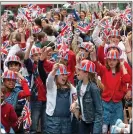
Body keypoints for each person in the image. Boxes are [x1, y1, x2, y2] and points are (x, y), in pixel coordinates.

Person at [90, 47, 131, 133]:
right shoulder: (104, 69)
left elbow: (127, 79)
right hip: (105, 102)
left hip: (117, 103)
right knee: (104, 126)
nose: (111, 62)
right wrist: (94, 57)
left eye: (114, 60)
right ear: (107, 60)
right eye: (109, 60)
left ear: (118, 61)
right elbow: (96, 66)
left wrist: (123, 66)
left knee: (116, 126)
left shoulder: (120, 71)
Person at [70, 60, 103, 134]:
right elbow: (81, 99)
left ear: (86, 73)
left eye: (79, 70)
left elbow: (99, 110)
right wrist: (75, 103)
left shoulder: (93, 88)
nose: (77, 72)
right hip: (83, 120)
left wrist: (96, 130)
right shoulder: (79, 85)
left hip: (93, 122)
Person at [45, 63, 76, 134]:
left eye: (66, 74)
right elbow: (49, 80)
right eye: (62, 74)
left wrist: (75, 103)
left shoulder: (70, 86)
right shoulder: (51, 86)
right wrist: (54, 71)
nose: (65, 76)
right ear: (56, 76)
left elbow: (77, 95)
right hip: (53, 120)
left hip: (67, 120)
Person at [24, 39, 47, 134]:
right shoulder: (32, 67)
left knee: (45, 126)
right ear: (32, 58)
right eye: (34, 56)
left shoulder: (46, 65)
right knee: (34, 125)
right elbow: (25, 59)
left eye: (38, 54)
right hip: (36, 98)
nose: (36, 57)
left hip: (46, 98)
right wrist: (30, 46)